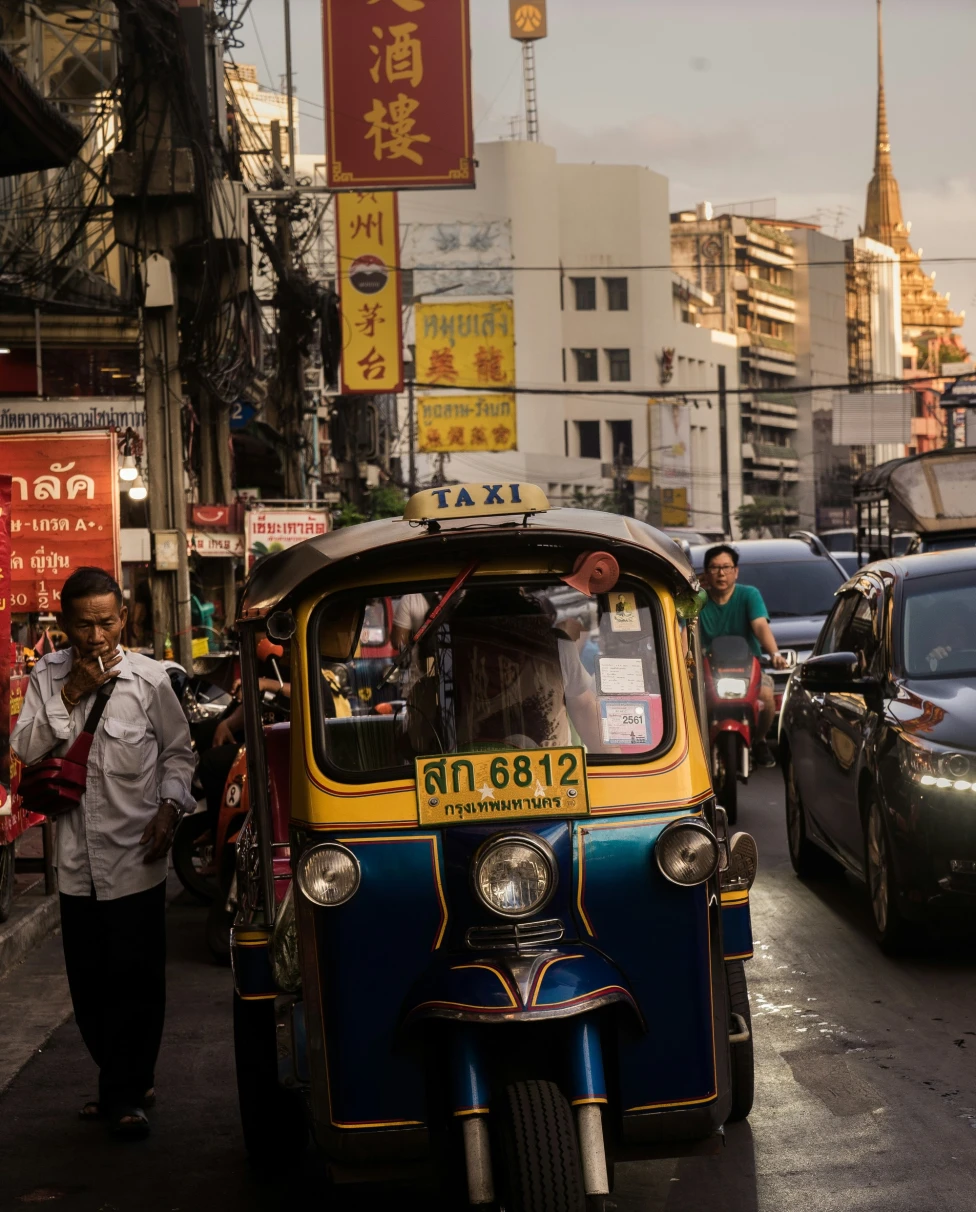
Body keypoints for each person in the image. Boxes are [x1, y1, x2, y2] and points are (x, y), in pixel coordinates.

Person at [10, 567, 194, 1140]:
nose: (96, 637)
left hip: (136, 852)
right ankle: (122, 1078)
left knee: (137, 979)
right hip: (73, 857)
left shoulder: (150, 679)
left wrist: (169, 808)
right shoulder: (47, 675)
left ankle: (125, 1090)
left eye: (107, 622)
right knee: (89, 983)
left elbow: (179, 754)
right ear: (64, 623)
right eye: (84, 625)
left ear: (124, 618)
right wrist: (71, 695)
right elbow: (25, 747)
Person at [699, 544, 787, 768]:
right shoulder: (696, 600)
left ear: (736, 571)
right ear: (706, 572)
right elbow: (682, 631)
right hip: (708, 671)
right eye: (715, 568)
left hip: (748, 671)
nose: (721, 573)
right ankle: (699, 748)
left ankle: (759, 741)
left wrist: (774, 654)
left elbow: (759, 626)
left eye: (726, 567)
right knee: (694, 704)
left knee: (767, 698)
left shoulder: (749, 595)